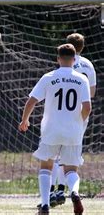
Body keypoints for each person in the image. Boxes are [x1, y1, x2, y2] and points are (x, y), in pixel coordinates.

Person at [19, 44, 91, 215]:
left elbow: (31, 101)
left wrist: (24, 120)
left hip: (51, 129)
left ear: (58, 59)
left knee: (46, 166)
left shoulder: (49, 77)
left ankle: (45, 206)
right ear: (74, 60)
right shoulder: (82, 79)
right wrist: (77, 124)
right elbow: (87, 107)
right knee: (71, 169)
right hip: (73, 130)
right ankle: (74, 192)